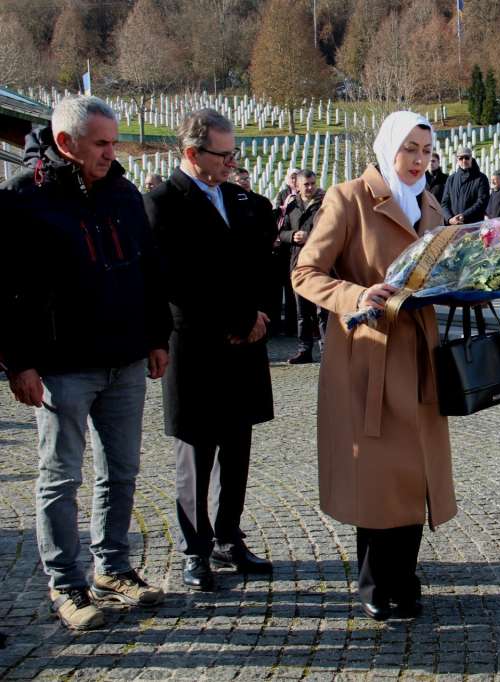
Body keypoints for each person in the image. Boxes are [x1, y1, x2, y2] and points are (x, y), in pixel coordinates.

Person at [0, 95, 170, 630]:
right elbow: (8, 291)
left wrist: (156, 337)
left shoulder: (122, 192)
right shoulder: (22, 199)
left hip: (124, 359)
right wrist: (19, 362)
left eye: (114, 141)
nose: (111, 152)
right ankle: (67, 583)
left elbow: (148, 271)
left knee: (121, 471)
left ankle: (113, 568)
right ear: (66, 143)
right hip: (61, 365)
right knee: (60, 477)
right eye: (101, 143)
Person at [291, 111, 455, 621]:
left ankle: (404, 575)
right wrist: (359, 294)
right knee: (378, 475)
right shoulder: (348, 198)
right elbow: (305, 273)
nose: (418, 160)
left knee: (415, 474)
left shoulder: (431, 206)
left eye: (426, 151)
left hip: (422, 356)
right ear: (388, 146)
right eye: (410, 148)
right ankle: (375, 581)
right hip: (371, 357)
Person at [144, 108, 275, 592]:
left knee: (237, 446)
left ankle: (227, 536)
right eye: (223, 154)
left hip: (246, 343)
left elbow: (259, 265)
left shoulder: (240, 199)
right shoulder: (162, 202)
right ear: (192, 153)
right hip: (197, 345)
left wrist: (259, 315)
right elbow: (176, 281)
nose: (231, 161)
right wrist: (237, 320)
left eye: (233, 152)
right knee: (196, 453)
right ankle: (194, 549)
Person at [281, 169, 327, 364]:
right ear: (296, 185)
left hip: (321, 262)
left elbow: (332, 229)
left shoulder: (326, 203)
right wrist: (292, 235)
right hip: (297, 262)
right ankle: (304, 349)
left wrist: (312, 236)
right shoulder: (291, 206)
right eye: (306, 184)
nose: (310, 187)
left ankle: (327, 350)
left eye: (312, 183)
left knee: (322, 310)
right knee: (302, 311)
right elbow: (281, 232)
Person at [233, 167, 283, 327]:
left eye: (247, 178)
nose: (246, 182)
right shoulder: (227, 202)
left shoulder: (261, 202)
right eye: (242, 179)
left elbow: (271, 229)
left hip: (260, 256)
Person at [271, 167, 301, 336]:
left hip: (294, 246)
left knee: (292, 289)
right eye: (292, 177)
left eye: (297, 176)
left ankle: (293, 326)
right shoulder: (283, 194)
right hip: (282, 245)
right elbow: (278, 215)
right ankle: (275, 326)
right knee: (278, 288)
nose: (294, 180)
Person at [441, 146, 488, 225]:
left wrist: (464, 215)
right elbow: (444, 203)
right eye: (461, 158)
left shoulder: (481, 178)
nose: (464, 160)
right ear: (457, 160)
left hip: (473, 226)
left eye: (466, 158)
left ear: (471, 159)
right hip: (453, 227)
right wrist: (449, 219)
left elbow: (482, 202)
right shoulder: (451, 179)